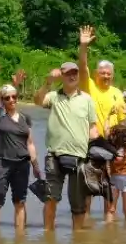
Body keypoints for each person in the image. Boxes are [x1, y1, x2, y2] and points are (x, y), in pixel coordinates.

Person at [75, 26, 126, 222]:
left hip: (113, 148)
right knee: (89, 189)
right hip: (92, 145)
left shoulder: (117, 93)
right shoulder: (89, 86)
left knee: (110, 193)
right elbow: (82, 67)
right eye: (102, 73)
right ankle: (85, 226)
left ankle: (109, 231)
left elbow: (123, 123)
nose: (106, 76)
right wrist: (83, 47)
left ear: (112, 75)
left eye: (109, 73)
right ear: (96, 74)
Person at [35, 58, 99, 231]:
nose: (72, 76)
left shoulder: (87, 99)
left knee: (78, 204)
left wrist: (98, 151)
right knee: (51, 198)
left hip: (80, 157)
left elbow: (93, 128)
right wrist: (48, 82)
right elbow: (37, 101)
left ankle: (77, 238)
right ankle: (48, 235)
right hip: (55, 155)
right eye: (68, 74)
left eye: (74, 73)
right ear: (62, 76)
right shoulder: (54, 96)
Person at [0, 71, 40, 231]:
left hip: (22, 165)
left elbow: (30, 143)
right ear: (2, 101)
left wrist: (35, 165)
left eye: (14, 97)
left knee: (20, 202)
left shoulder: (25, 118)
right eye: (7, 98)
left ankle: (20, 239)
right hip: (2, 164)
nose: (11, 100)